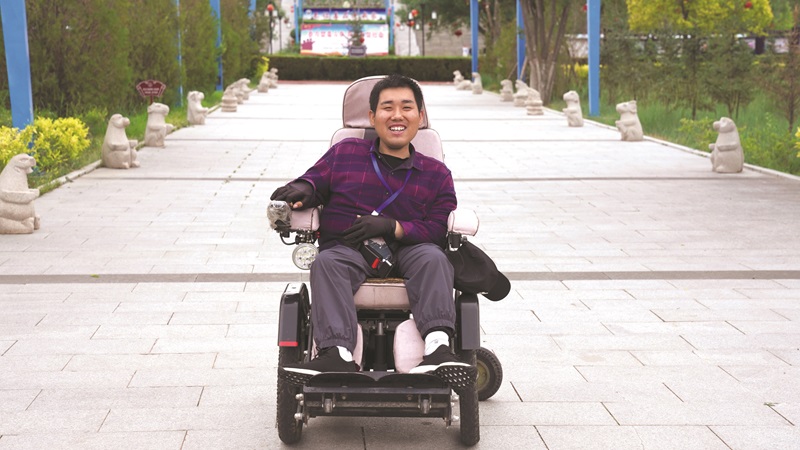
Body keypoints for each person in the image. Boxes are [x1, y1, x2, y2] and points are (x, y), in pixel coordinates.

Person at [271, 74, 475, 386]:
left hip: (410, 250)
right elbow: (315, 180)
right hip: (349, 249)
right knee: (326, 262)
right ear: (372, 116)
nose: (397, 116)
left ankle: (438, 348)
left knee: (434, 258)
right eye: (387, 107)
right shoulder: (345, 152)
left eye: (406, 107)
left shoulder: (436, 173)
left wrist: (393, 227)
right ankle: (337, 353)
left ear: (420, 116)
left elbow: (437, 228)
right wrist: (302, 189)